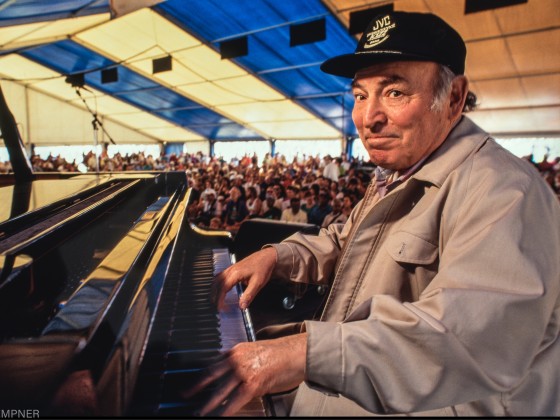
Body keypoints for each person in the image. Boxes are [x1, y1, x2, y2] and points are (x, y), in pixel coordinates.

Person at [184, 11, 560, 417]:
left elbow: (469, 338)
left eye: (394, 92)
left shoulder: (504, 191)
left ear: (453, 98)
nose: (368, 118)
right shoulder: (399, 171)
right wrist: (278, 256)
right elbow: (348, 238)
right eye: (361, 95)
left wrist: (302, 353)